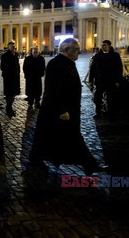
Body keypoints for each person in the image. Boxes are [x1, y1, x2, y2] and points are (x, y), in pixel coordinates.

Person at [29, 38, 103, 175]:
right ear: (67, 50)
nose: (78, 53)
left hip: (68, 109)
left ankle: (36, 158)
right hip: (57, 110)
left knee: (50, 137)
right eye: (76, 50)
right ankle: (90, 164)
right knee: (67, 137)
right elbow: (53, 89)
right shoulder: (55, 64)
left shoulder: (69, 63)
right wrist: (61, 110)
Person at [89, 40, 123, 118]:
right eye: (102, 45)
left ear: (109, 46)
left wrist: (118, 80)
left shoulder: (115, 56)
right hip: (100, 81)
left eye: (104, 45)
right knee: (98, 98)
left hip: (111, 81)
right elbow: (93, 68)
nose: (102, 47)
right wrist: (91, 80)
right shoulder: (97, 56)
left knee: (111, 98)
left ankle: (111, 114)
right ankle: (98, 113)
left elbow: (119, 69)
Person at [0, 42, 20, 117]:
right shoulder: (5, 55)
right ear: (8, 47)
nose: (13, 47)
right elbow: (2, 67)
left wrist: (18, 72)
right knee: (9, 95)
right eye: (11, 46)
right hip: (8, 78)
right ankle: (9, 108)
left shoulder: (16, 54)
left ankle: (10, 107)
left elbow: (17, 65)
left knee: (13, 94)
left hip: (15, 77)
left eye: (14, 46)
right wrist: (8, 72)